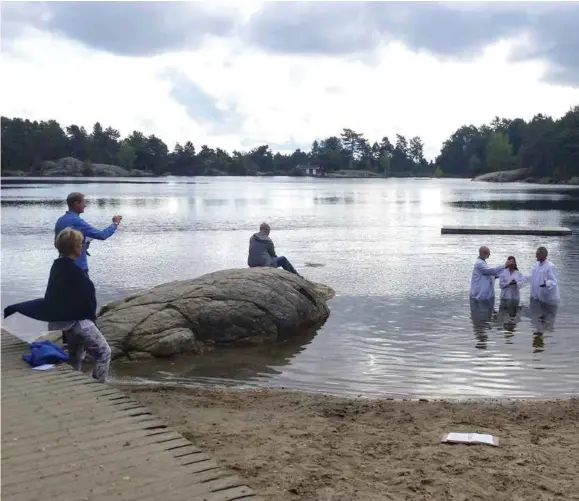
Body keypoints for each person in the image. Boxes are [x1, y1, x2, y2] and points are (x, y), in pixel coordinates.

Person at [4, 228, 111, 383]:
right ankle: (100, 386)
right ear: (75, 247)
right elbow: (86, 301)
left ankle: (75, 384)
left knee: (75, 358)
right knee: (104, 353)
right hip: (79, 322)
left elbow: (55, 298)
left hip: (66, 324)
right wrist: (92, 320)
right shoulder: (74, 270)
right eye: (81, 244)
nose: (83, 247)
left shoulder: (58, 266)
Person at [54, 192, 122, 276]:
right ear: (76, 203)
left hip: (62, 267)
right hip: (78, 269)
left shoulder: (60, 220)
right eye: (83, 202)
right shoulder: (77, 221)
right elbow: (102, 235)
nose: (85, 205)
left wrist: (85, 242)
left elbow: (59, 245)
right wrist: (115, 224)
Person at [528, 246, 560, 334]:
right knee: (539, 317)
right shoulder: (536, 265)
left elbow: (554, 281)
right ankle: (540, 331)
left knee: (548, 317)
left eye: (537, 254)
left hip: (549, 298)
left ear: (543, 255)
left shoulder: (550, 266)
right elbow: (531, 276)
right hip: (539, 296)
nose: (535, 256)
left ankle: (547, 332)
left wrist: (546, 284)